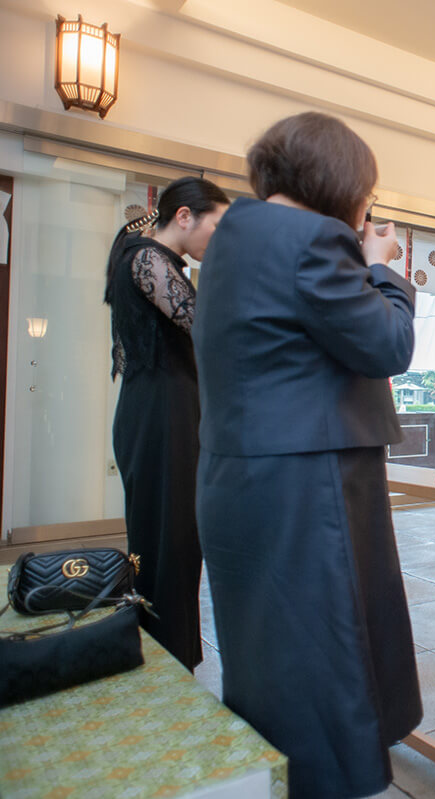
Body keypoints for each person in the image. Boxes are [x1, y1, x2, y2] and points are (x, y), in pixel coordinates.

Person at [192, 112, 422, 798]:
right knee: (328, 647)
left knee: (267, 648)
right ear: (344, 182)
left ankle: (277, 776)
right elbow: (387, 345)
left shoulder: (233, 238)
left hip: (238, 472)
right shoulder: (313, 237)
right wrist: (382, 269)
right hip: (306, 477)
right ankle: (332, 780)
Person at [104, 176, 229, 671]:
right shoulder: (147, 258)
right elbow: (206, 326)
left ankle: (166, 657)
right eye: (214, 229)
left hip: (160, 412)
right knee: (168, 547)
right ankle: (167, 661)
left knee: (170, 544)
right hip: (161, 417)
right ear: (184, 217)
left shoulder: (145, 258)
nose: (214, 242)